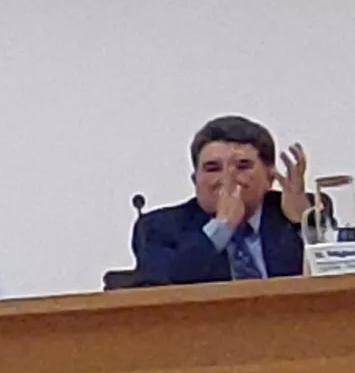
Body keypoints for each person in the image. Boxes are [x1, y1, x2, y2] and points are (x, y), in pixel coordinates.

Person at [130, 116, 312, 284]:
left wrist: (303, 223)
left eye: (242, 166)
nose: (227, 178)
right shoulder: (158, 228)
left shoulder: (298, 213)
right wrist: (222, 227)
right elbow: (163, 285)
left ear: (270, 177)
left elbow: (325, 273)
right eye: (213, 169)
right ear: (195, 181)